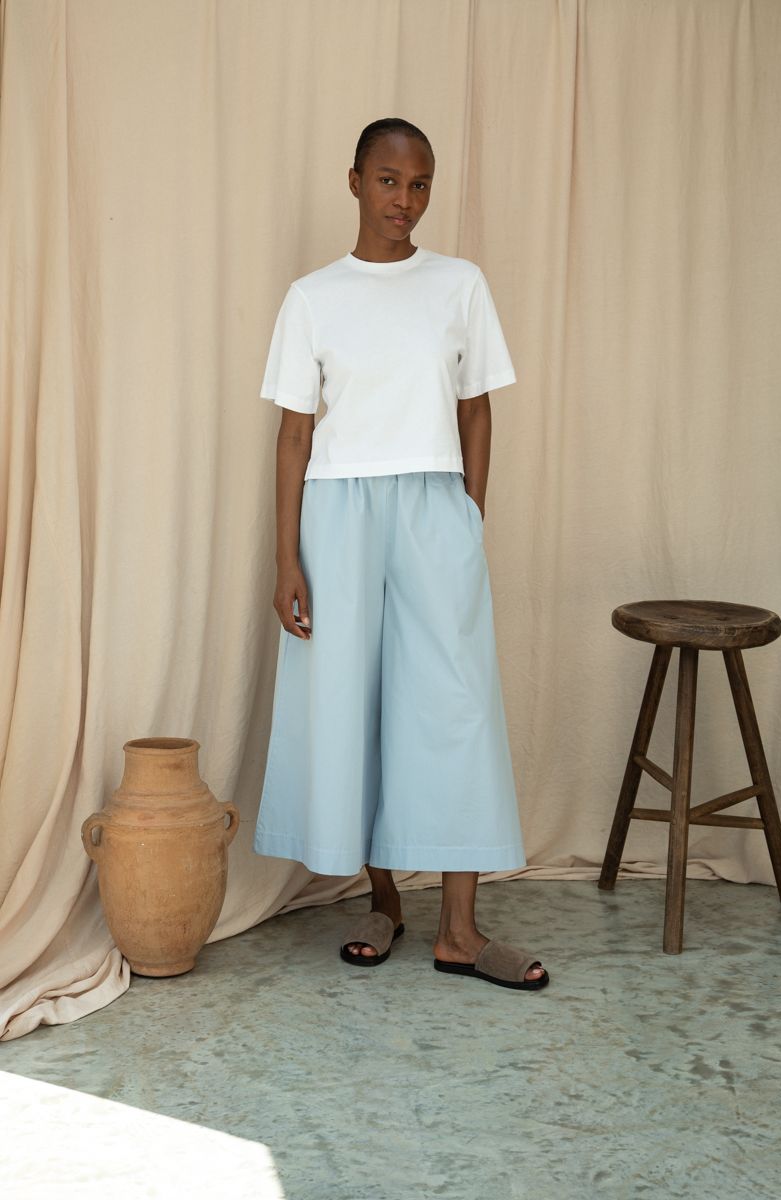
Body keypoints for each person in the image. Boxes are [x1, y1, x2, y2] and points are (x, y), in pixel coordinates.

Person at [253, 117, 548, 991]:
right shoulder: (313, 296)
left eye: (420, 185)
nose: (405, 202)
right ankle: (383, 901)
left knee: (454, 707)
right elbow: (292, 436)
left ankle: (460, 929)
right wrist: (285, 561)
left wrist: (468, 518)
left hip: (432, 505)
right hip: (336, 515)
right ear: (354, 182)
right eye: (388, 182)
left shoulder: (458, 284)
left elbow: (478, 410)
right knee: (356, 707)